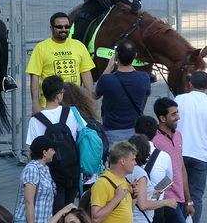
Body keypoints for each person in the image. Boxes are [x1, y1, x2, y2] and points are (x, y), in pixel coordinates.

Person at [26, 75, 86, 213]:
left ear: (44, 94)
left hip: (50, 174)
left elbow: (32, 152)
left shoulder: (35, 120)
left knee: (55, 212)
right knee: (69, 208)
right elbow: (83, 135)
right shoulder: (72, 112)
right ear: (59, 95)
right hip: (72, 170)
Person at [174, 70, 207, 223]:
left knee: (178, 192)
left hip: (179, 153)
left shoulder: (179, 99)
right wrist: (206, 132)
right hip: (200, 156)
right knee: (196, 195)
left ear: (190, 84)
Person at [27, 12, 95, 113]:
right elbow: (34, 78)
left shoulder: (79, 46)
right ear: (51, 28)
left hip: (74, 104)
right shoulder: (41, 48)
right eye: (59, 27)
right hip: (49, 105)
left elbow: (86, 74)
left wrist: (91, 100)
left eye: (67, 26)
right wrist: (35, 104)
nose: (64, 29)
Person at [96, 39, 151, 145]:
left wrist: (108, 67)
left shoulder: (107, 79)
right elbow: (145, 96)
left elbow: (94, 94)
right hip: (136, 132)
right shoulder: (144, 78)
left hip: (112, 132)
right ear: (135, 56)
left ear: (116, 56)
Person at [152, 98, 194, 223]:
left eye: (177, 113)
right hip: (166, 198)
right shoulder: (154, 139)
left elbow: (181, 167)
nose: (178, 117)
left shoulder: (178, 136)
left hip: (180, 197)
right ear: (162, 118)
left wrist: (188, 200)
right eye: (173, 114)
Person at [127, 134, 178, 222]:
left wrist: (153, 192)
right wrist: (167, 202)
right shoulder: (140, 174)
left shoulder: (127, 170)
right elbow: (143, 205)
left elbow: (136, 194)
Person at [134, 116, 174, 222]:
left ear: (135, 131)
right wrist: (155, 193)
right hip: (156, 207)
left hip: (130, 209)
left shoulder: (126, 154)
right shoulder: (164, 156)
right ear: (156, 133)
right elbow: (169, 180)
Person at [90, 141, 137, 223]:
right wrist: (117, 198)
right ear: (122, 161)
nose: (135, 163)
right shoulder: (102, 183)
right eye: (132, 160)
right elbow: (95, 219)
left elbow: (128, 214)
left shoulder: (125, 181)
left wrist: (133, 197)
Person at [13, 136, 57, 223]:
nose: (54, 152)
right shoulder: (32, 169)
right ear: (44, 152)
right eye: (52, 150)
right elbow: (29, 202)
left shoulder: (45, 169)